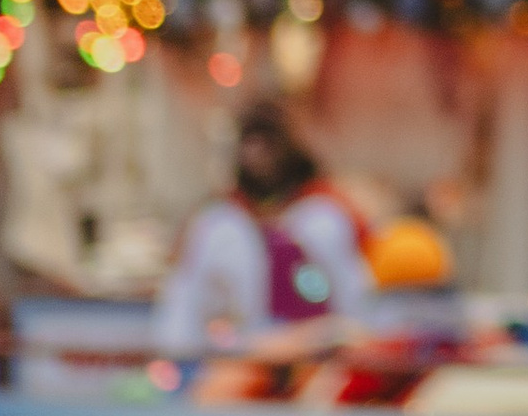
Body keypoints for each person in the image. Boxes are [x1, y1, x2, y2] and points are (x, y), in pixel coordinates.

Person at [153, 105, 373, 357]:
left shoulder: (325, 219)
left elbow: (356, 309)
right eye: (251, 145)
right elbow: (183, 315)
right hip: (235, 363)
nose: (259, 157)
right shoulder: (217, 226)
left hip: (318, 360)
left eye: (269, 146)